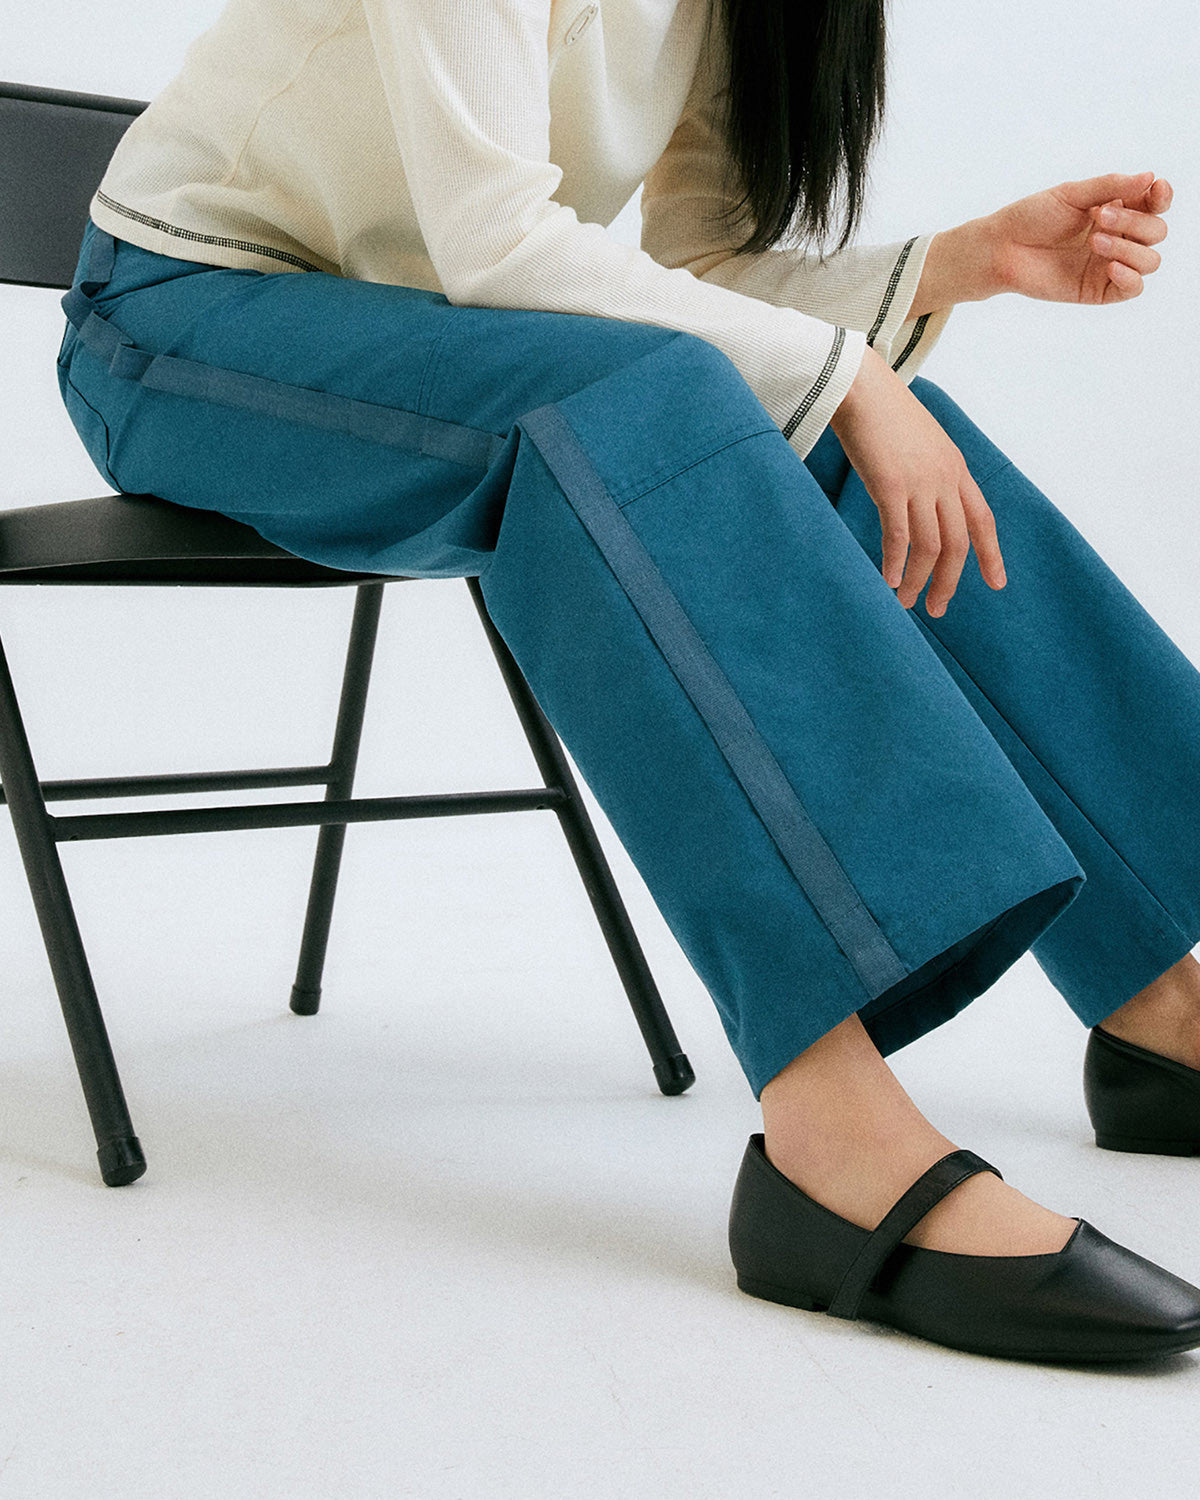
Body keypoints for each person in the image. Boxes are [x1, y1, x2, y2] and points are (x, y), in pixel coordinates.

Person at [57, 0, 1200, 1363]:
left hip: (430, 337)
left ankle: (1163, 1010)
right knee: (669, 407)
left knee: (819, 423)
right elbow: (498, 243)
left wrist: (959, 264)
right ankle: (832, 1140)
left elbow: (701, 276)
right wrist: (847, 376)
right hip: (178, 326)